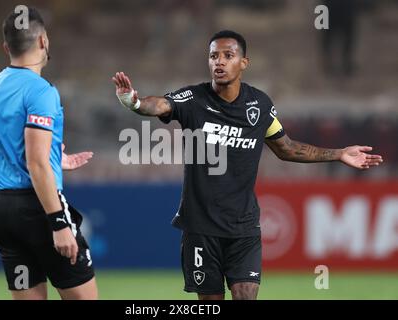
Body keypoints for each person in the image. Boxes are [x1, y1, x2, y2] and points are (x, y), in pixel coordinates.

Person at [112, 30, 383, 300]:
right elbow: (159, 105)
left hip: (243, 227)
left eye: (228, 56)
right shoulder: (194, 99)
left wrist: (339, 154)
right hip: (201, 227)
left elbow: (286, 148)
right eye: (213, 56)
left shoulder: (260, 106)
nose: (219, 62)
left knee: (245, 295)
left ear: (244, 62)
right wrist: (133, 101)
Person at [0, 7, 98, 300]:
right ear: (44, 41)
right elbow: (35, 162)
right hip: (38, 209)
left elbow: (13, 151)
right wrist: (58, 223)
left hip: (3, 211)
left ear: (6, 47)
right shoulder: (41, 91)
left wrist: (56, 162)